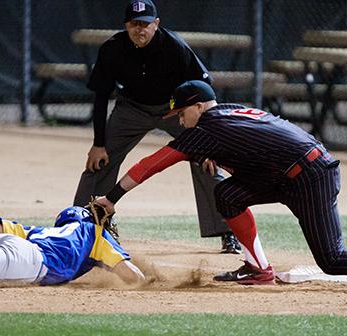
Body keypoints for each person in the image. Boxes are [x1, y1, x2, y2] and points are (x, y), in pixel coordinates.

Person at [94, 80, 347, 296]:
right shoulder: (229, 112)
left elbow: (152, 164)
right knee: (227, 194)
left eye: (182, 113)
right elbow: (258, 147)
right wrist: (225, 160)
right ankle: (258, 269)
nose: (180, 120)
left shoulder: (204, 130)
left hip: (309, 177)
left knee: (333, 259)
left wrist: (112, 198)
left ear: (199, 107)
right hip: (292, 170)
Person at [73, 0, 241, 254]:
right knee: (99, 162)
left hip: (174, 109)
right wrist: (98, 144)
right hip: (131, 109)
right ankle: (81, 227)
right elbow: (100, 96)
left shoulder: (175, 47)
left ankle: (228, 231)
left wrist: (208, 139)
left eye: (145, 23)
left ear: (156, 24)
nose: (139, 29)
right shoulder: (113, 48)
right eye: (134, 24)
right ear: (126, 25)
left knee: (207, 162)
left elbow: (206, 92)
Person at [0, 206, 144, 286]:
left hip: (16, 244)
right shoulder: (94, 232)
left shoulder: (42, 231)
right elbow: (134, 277)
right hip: (31, 261)